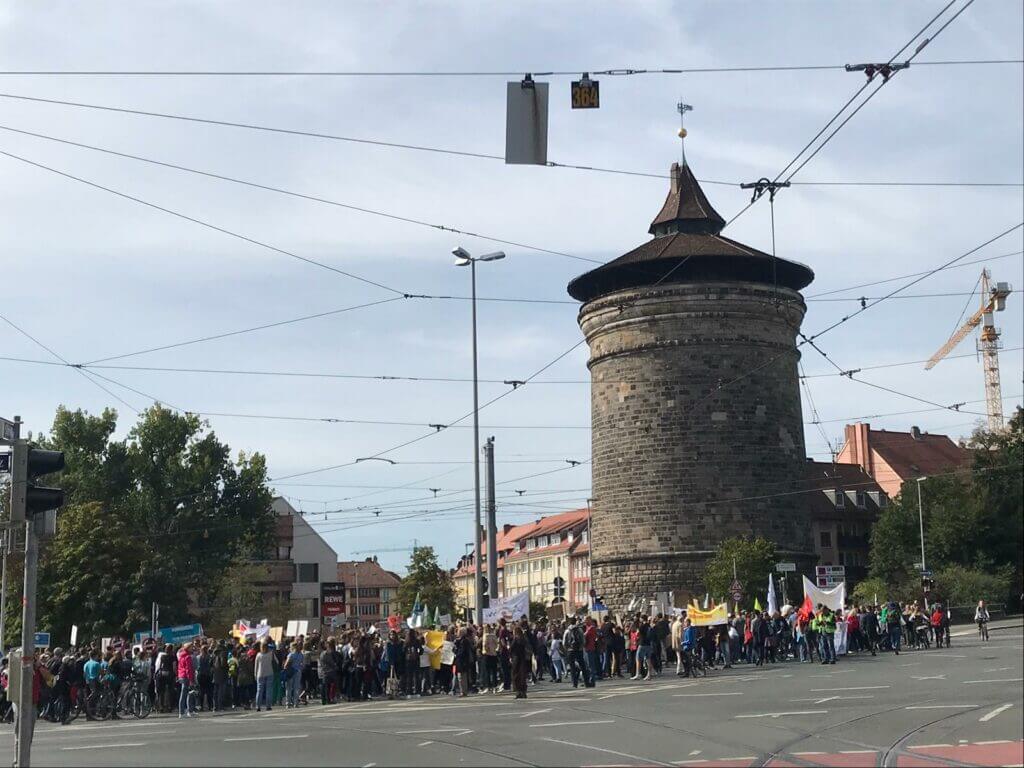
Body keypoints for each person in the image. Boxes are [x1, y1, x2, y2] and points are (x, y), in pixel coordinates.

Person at [509, 626, 531, 699]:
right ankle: (523, 692)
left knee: (516, 675)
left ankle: (519, 692)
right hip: (523, 659)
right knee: (522, 676)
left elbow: (511, 649)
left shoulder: (515, 639)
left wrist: (510, 657)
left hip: (516, 659)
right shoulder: (524, 639)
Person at [254, 640, 275, 712]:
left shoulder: (258, 655)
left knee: (259, 690)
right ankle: (268, 706)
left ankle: (258, 706)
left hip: (260, 673)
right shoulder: (270, 654)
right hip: (269, 672)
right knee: (269, 690)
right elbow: (275, 661)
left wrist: (255, 674)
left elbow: (256, 666)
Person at [176, 642, 195, 718]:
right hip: (186, 676)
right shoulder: (188, 657)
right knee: (186, 694)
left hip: (181, 675)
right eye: (191, 647)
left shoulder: (181, 656)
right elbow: (189, 669)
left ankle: (187, 711)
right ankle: (183, 712)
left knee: (185, 694)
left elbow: (180, 667)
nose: (192, 648)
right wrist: (191, 680)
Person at [283, 642, 304, 708]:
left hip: (291, 672)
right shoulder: (301, 654)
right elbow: (302, 664)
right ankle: (296, 703)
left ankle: (288, 703)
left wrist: (285, 668)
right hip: (298, 671)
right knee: (296, 688)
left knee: (289, 688)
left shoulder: (291, 655)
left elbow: (286, 665)